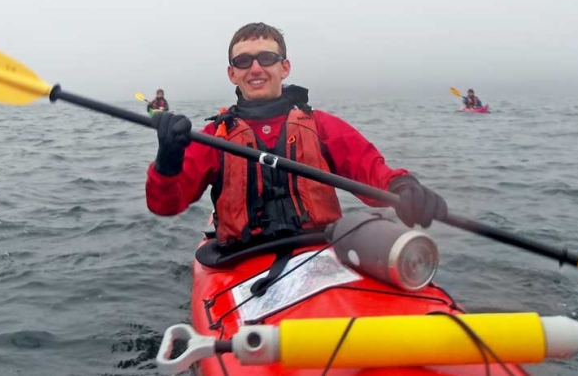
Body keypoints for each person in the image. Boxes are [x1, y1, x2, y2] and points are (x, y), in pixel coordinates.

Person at [145, 22, 447, 250]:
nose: (255, 68)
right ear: (232, 73)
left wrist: (404, 187)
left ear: (284, 67)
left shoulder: (321, 126)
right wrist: (167, 161)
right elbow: (165, 205)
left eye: (266, 58)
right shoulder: (215, 137)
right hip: (240, 260)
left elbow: (372, 172)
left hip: (320, 253)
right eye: (243, 61)